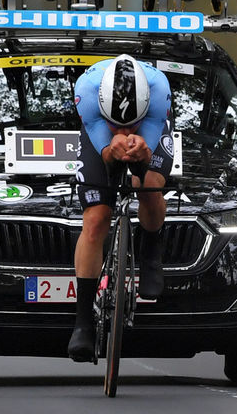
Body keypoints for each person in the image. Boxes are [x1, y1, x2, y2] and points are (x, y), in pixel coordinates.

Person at [67, 54, 174, 362]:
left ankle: (151, 251)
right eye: (118, 125)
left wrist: (141, 150)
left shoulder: (158, 90)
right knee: (97, 217)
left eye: (129, 125)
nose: (124, 131)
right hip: (98, 128)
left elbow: (148, 144)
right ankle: (83, 323)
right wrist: (110, 148)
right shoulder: (86, 91)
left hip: (151, 125)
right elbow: (104, 151)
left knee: (149, 185)